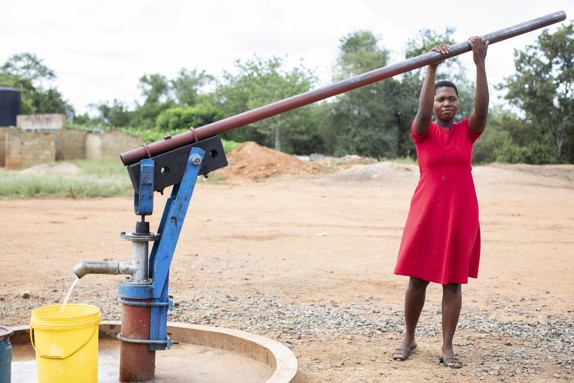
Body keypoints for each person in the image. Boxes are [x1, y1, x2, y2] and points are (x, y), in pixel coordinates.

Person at [391, 36, 489, 369]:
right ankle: (409, 336)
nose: (446, 103)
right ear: (433, 105)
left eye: (451, 99)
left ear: (457, 104)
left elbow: (483, 108)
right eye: (441, 99)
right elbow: (420, 111)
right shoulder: (423, 131)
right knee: (417, 279)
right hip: (427, 214)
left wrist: (479, 62)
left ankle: (447, 347)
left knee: (452, 281)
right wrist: (431, 67)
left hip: (460, 215)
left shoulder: (468, 131)